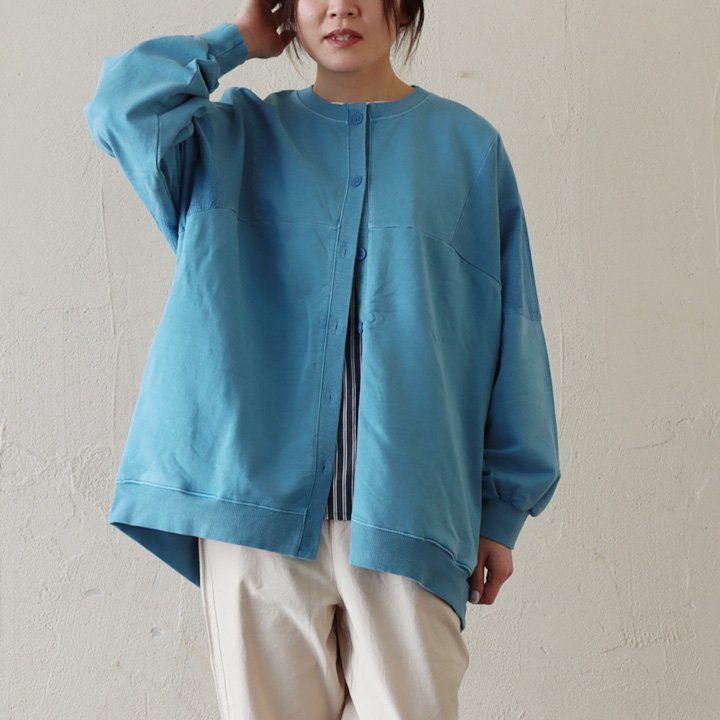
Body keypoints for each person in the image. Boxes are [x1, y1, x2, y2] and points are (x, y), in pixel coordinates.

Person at [83, 1, 561, 718]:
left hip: (409, 512)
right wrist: (235, 41)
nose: (341, 6)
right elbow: (120, 106)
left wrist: (503, 508)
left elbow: (511, 328)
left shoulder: (468, 148)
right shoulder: (231, 139)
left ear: (403, 8)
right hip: (253, 513)